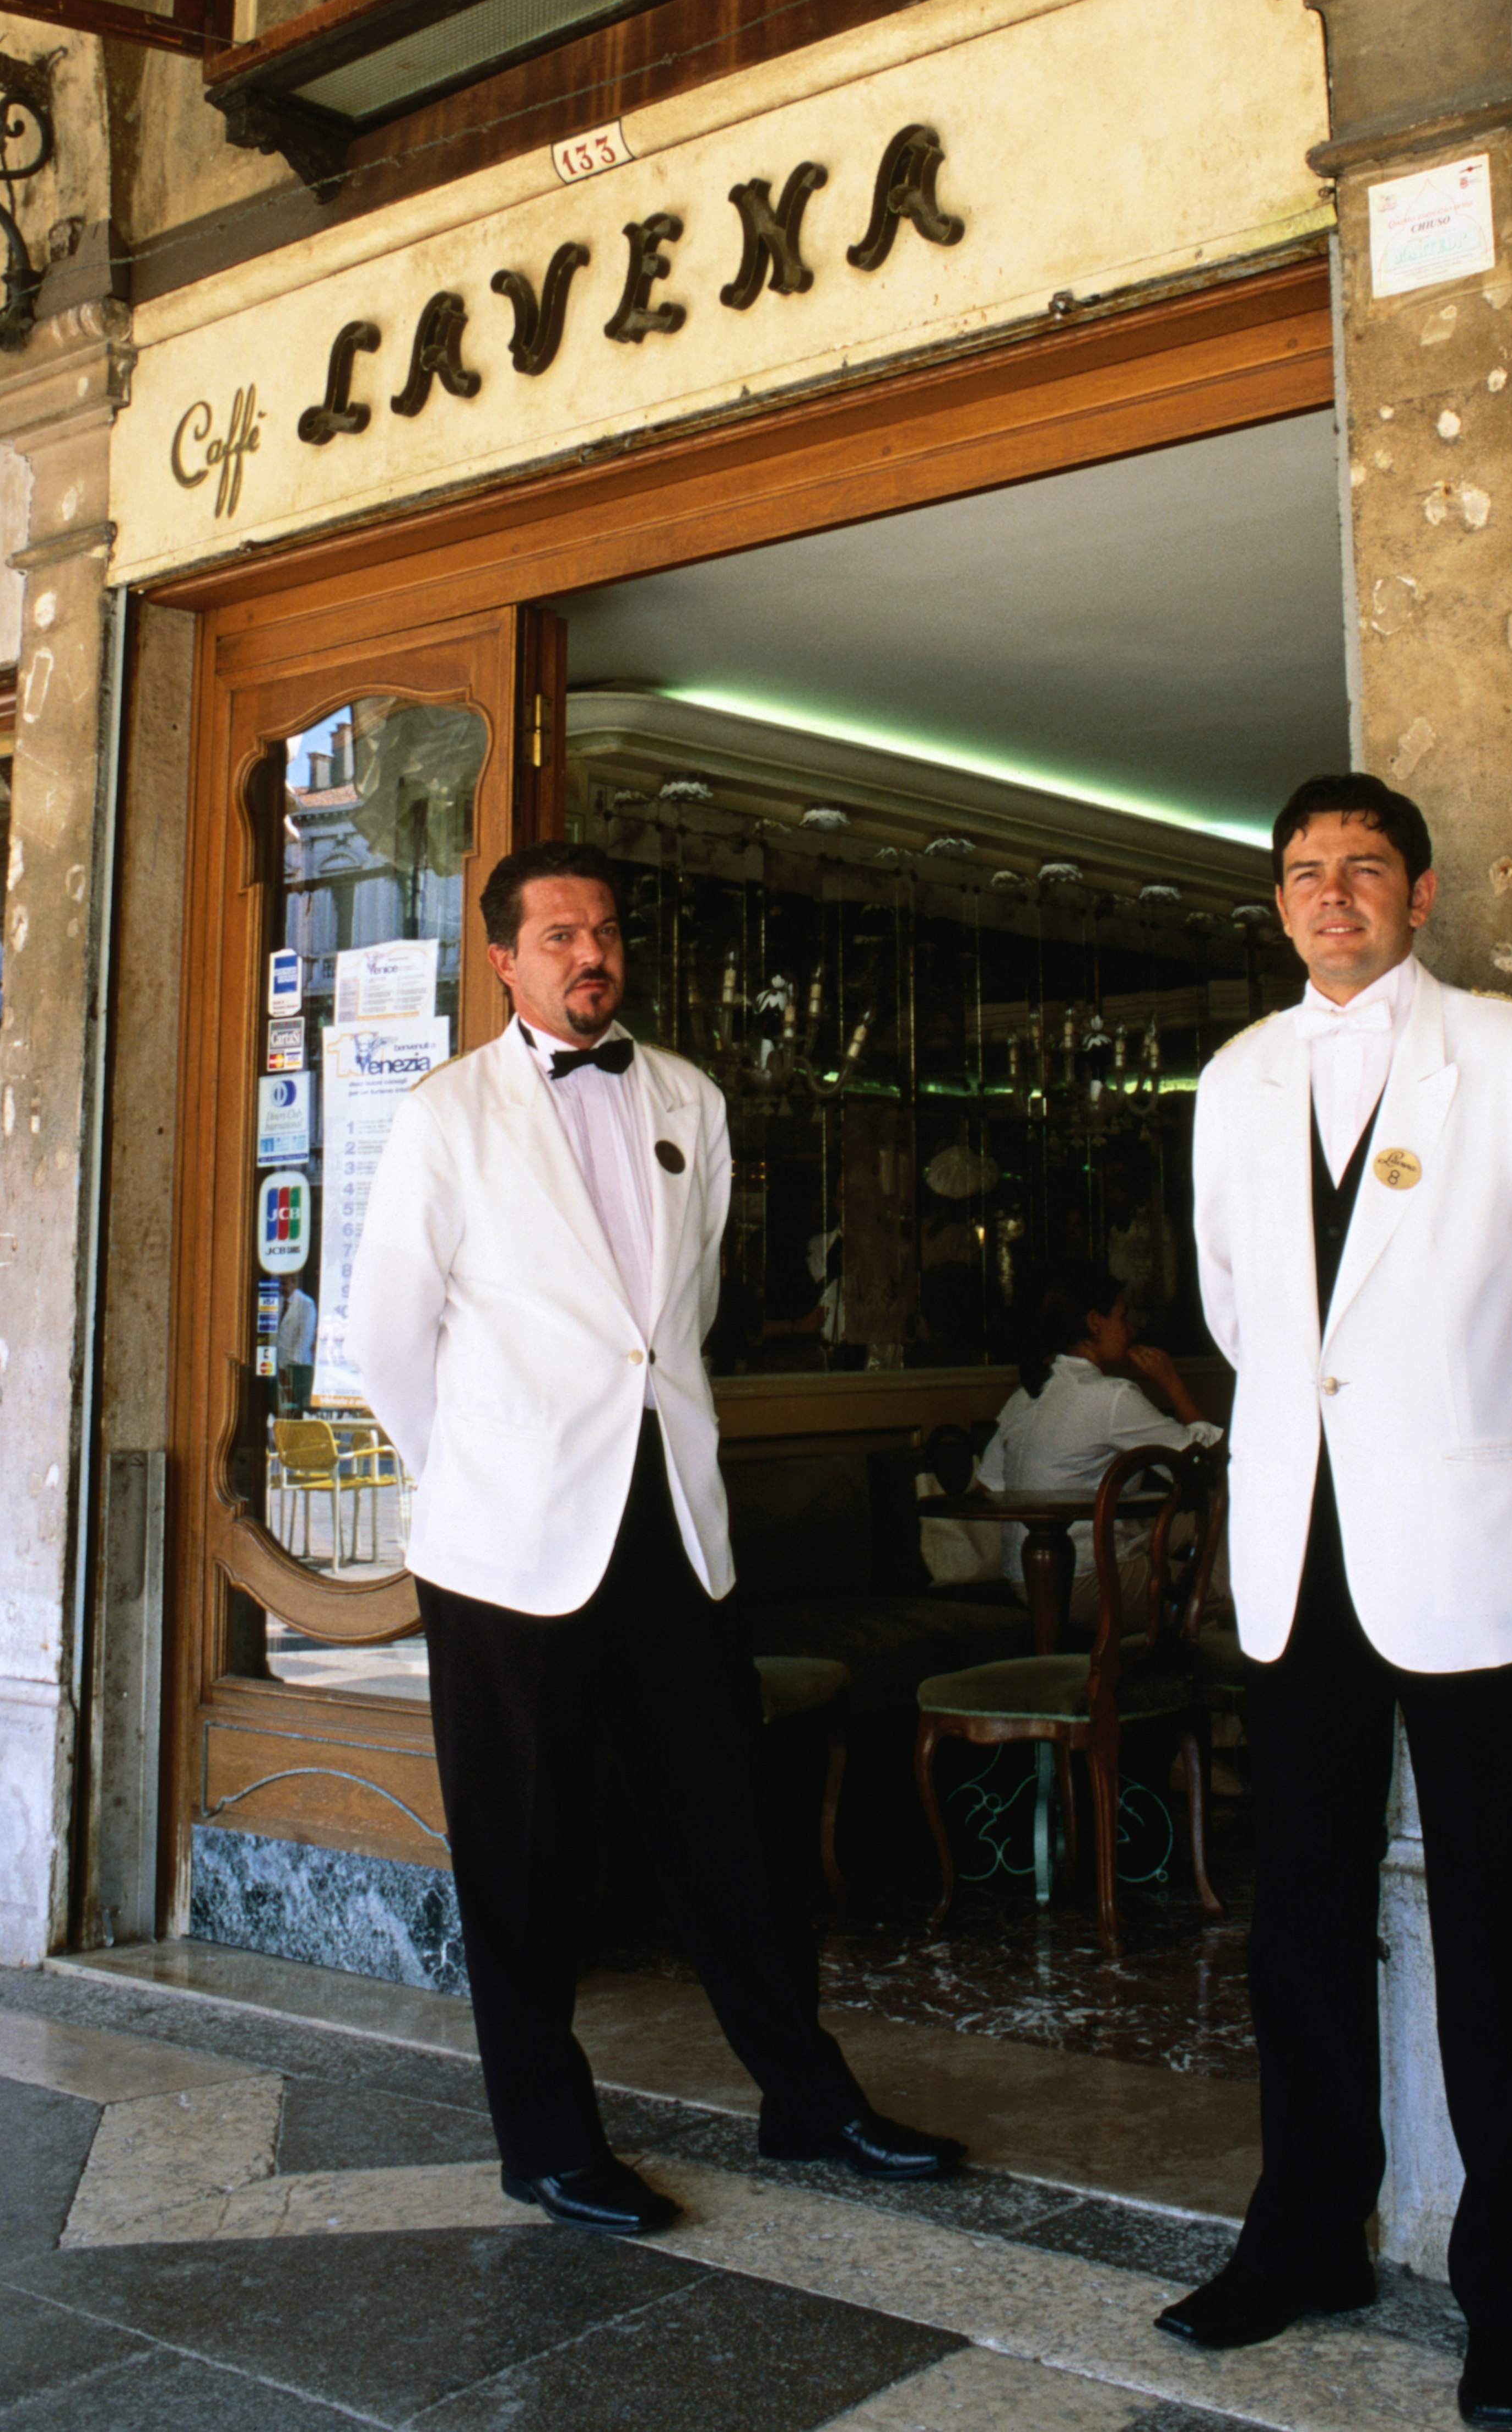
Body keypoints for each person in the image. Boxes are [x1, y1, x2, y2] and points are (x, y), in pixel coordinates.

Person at [347, 838, 964, 2236]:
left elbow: (668, 1321)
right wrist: (480, 1485)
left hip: (672, 1523)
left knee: (731, 1829)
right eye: (558, 931)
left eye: (605, 929)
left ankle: (806, 2095)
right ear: (504, 956)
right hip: (508, 1544)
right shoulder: (449, 1114)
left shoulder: (688, 1093)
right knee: (523, 1855)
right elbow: (387, 1336)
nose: (589, 951)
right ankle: (547, 2140)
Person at [1159, 772, 1512, 2431]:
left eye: (1359, 869)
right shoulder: (1233, 1080)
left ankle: (1504, 2300)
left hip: (1463, 1551)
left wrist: (1479, 1434)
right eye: (1301, 871)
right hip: (1295, 1557)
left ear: (1418, 893)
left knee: (1497, 1928)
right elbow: (1241, 1316)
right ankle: (1305, 2232)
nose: (1329, 895)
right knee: (1297, 1915)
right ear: (1277, 899)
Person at [978, 1261, 1223, 1627]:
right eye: (1122, 1318)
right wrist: (1172, 1382)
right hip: (1080, 1580)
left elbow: (988, 1483)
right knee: (1222, 1546)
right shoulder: (1111, 1397)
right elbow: (1206, 1463)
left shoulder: (1026, 1395)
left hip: (1024, 1577)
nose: (1132, 1330)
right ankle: (1217, 1622)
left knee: (1209, 1521)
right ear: (1095, 1322)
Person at [273, 1281, 316, 1416]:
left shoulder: (306, 1303)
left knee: (296, 1406)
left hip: (296, 1365)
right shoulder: (279, 1301)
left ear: (294, 1284)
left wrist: (293, 1366)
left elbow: (306, 1337)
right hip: (277, 1361)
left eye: (285, 1285)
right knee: (281, 1404)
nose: (281, 1288)